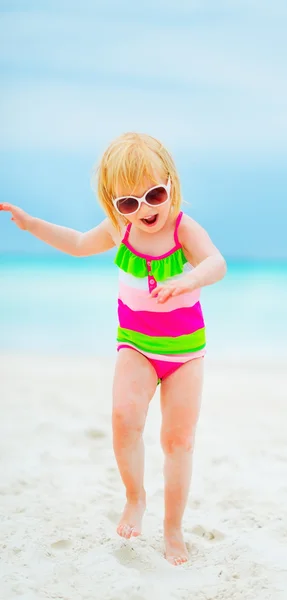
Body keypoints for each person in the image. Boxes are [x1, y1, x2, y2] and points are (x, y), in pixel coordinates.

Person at [0, 132, 227, 566]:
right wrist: (32, 225)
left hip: (185, 354)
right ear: (114, 203)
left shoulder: (182, 227)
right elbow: (79, 244)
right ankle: (134, 497)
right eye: (129, 202)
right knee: (124, 418)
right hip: (137, 344)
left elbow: (216, 263)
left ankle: (173, 528)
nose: (145, 209)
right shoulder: (119, 230)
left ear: (170, 185)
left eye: (154, 194)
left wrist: (189, 279)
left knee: (177, 441)